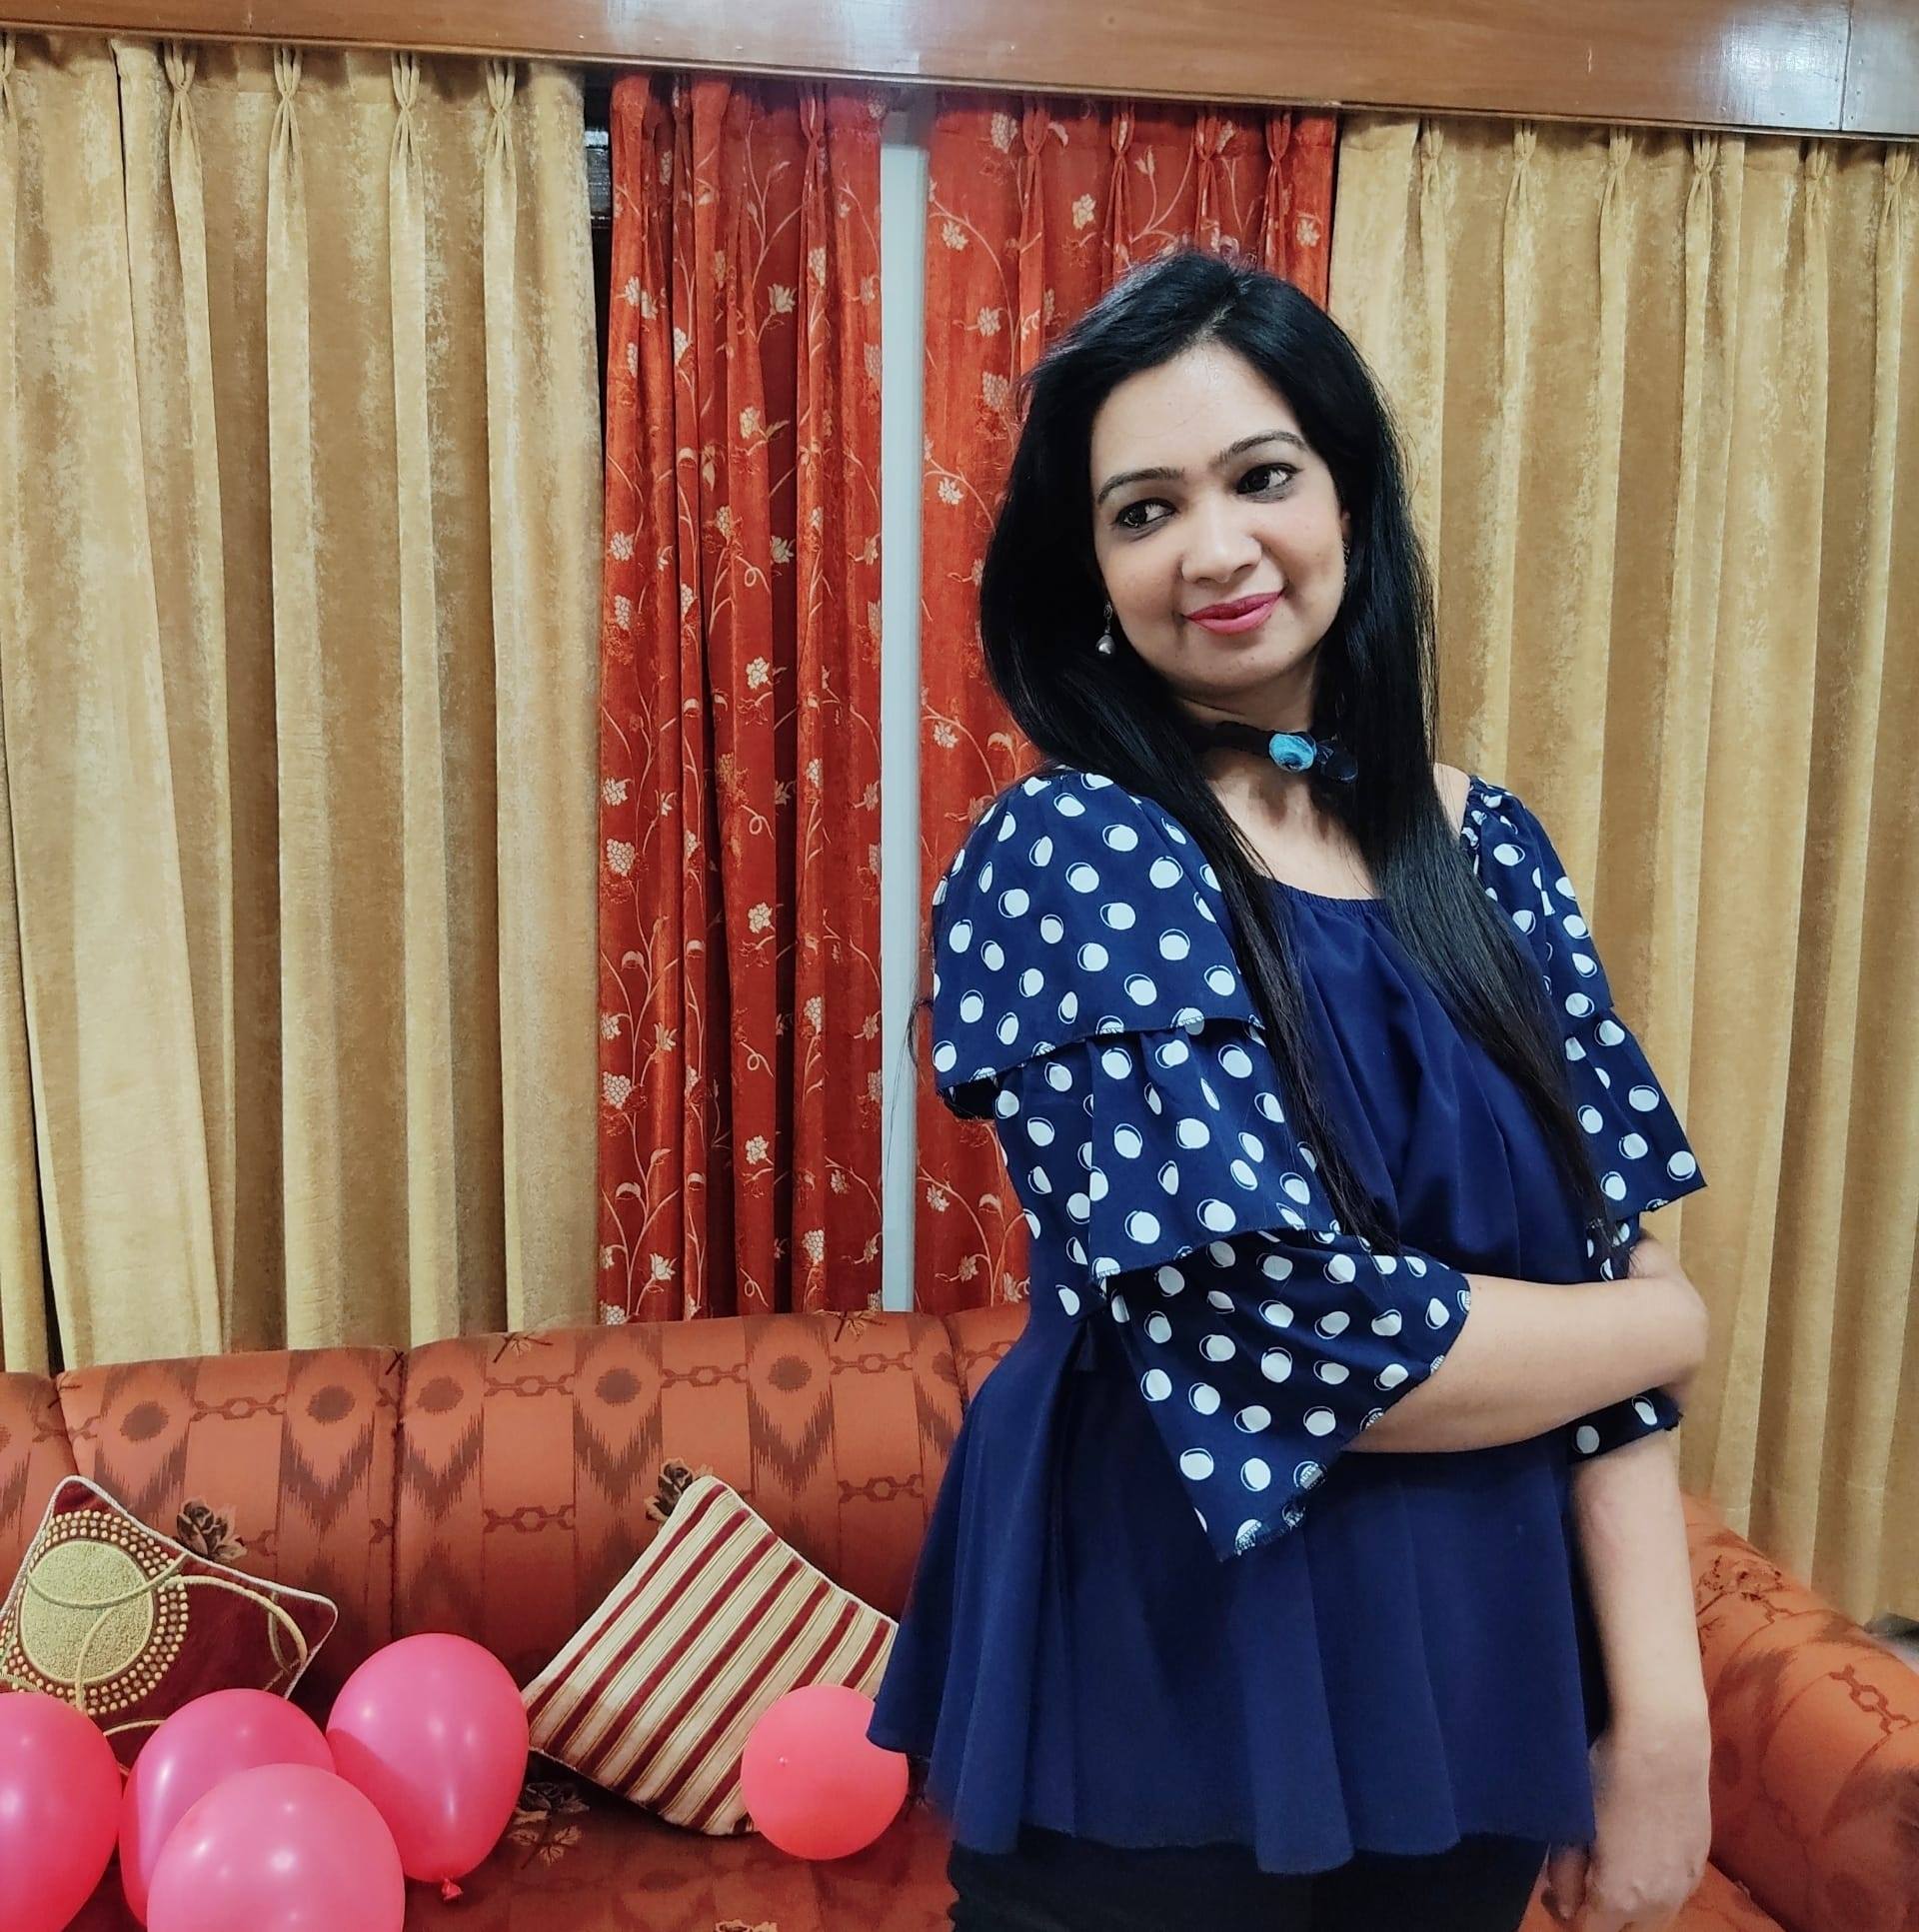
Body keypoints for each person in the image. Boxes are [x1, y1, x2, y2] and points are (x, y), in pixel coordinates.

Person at [867, 249, 1715, 1931]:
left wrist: (1664, 1710)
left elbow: (1610, 1247)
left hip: (1474, 1657)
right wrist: (1670, 1320)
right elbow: (1293, 1335)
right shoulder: (1073, 847)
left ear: (1348, 499)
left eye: (1262, 476)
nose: (1216, 547)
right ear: (1091, 573)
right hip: (1165, 1660)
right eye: (1145, 509)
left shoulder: (1493, 846)